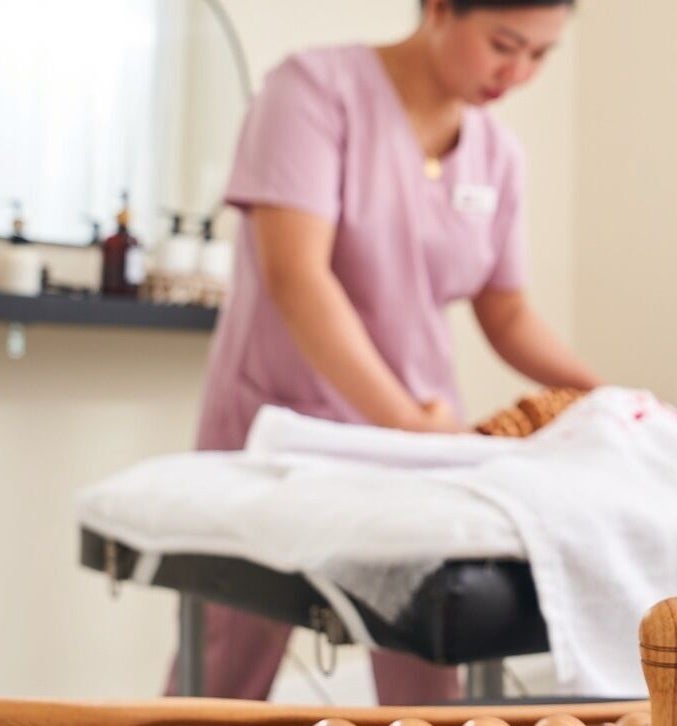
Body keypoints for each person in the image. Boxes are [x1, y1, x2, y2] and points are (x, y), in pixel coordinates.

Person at [166, 0, 601, 705]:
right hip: (285, 425)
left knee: (427, 663)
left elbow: (508, 311)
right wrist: (401, 419)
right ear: (437, 9)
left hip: (421, 435)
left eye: (540, 55)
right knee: (229, 668)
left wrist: (607, 395)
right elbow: (297, 275)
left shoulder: (497, 155)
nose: (518, 73)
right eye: (503, 43)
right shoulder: (311, 92)